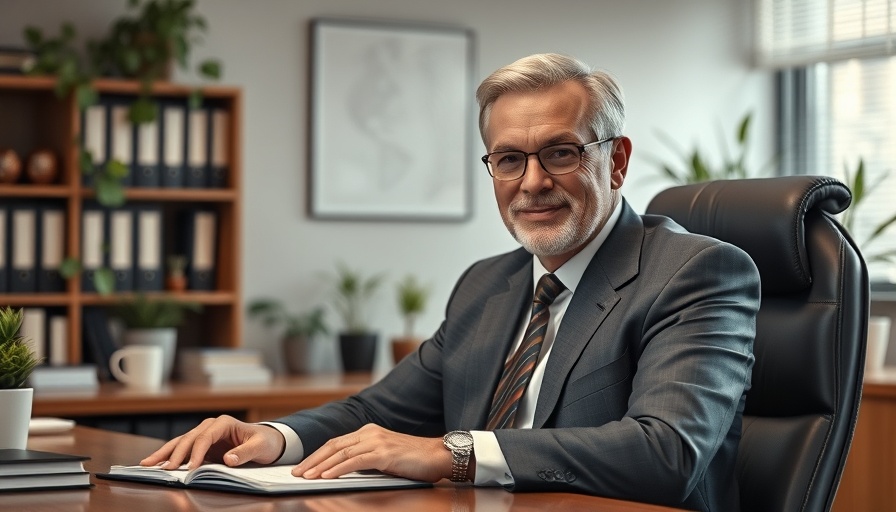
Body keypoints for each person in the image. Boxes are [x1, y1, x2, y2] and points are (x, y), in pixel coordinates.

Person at [142, 53, 760, 511]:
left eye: (561, 153)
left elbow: (666, 452)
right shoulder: (488, 285)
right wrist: (275, 438)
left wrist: (455, 452)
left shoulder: (697, 273)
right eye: (509, 159)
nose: (533, 182)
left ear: (617, 161)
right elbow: (376, 412)